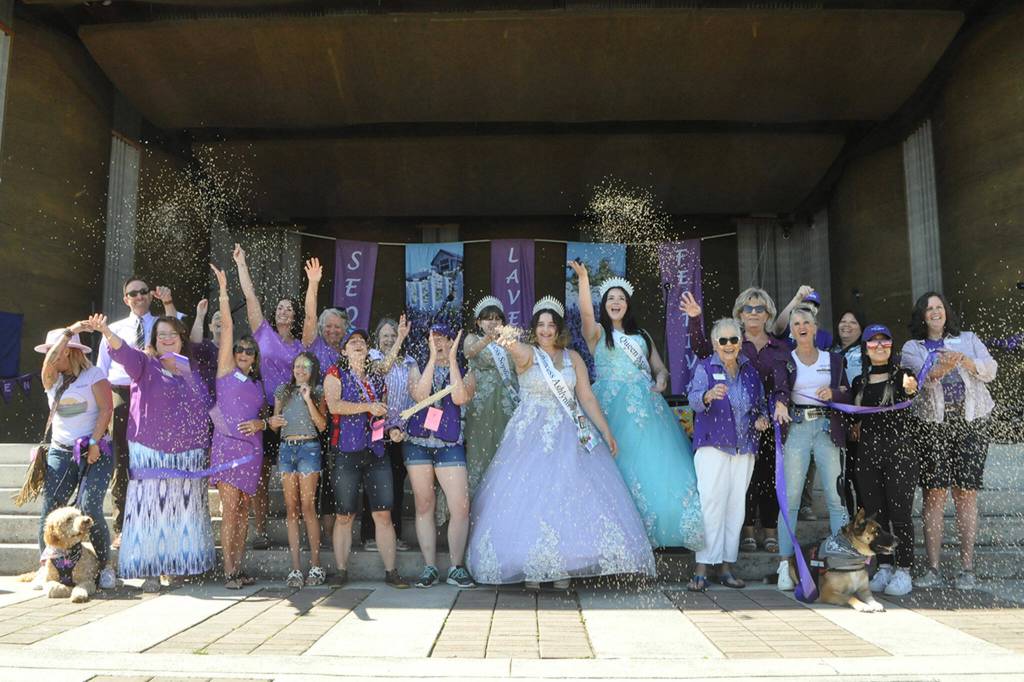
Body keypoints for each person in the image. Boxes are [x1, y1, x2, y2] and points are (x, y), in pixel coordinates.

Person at [465, 297, 656, 589]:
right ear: (534, 329)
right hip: (530, 436)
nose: (546, 330)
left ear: (559, 328)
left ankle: (564, 565)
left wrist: (605, 431)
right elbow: (512, 346)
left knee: (568, 496)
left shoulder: (573, 358)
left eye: (551, 325)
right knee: (530, 497)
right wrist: (503, 334)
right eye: (540, 325)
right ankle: (532, 566)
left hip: (570, 432)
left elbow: (586, 397)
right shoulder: (527, 354)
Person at [570, 262, 704, 549]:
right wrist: (583, 279)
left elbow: (659, 368)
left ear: (627, 304)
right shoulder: (597, 333)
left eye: (621, 298)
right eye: (610, 298)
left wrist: (662, 379)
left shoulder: (642, 336)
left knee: (653, 464)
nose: (615, 302)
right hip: (609, 407)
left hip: (646, 407)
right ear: (604, 304)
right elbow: (585, 314)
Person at [86, 312, 214, 592]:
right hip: (149, 450)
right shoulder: (144, 363)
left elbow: (205, 405)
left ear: (181, 339)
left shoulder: (193, 369)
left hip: (188, 453)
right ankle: (151, 570)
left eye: (172, 334)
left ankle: (179, 566)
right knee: (150, 511)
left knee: (182, 511)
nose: (167, 339)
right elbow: (122, 352)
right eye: (161, 335)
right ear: (154, 340)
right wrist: (106, 331)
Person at [901, 292, 997, 590]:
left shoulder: (968, 339)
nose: (935, 312)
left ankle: (967, 569)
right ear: (921, 315)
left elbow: (990, 370)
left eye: (939, 307)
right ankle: (933, 568)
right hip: (933, 425)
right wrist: (942, 368)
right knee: (934, 494)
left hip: (972, 422)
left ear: (946, 312)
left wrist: (965, 361)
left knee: (966, 494)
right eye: (928, 308)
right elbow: (919, 380)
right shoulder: (912, 347)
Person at [685, 318, 770, 591]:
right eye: (723, 340)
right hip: (713, 445)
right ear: (714, 344)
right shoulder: (705, 367)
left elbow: (760, 406)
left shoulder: (750, 372)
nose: (729, 345)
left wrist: (762, 419)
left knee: (735, 508)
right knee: (711, 505)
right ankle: (702, 567)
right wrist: (708, 395)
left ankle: (725, 566)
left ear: (740, 342)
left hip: (744, 448)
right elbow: (693, 399)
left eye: (734, 339)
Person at [95, 277, 179, 550]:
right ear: (126, 299)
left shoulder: (162, 323)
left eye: (143, 291)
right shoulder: (114, 329)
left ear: (151, 296)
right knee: (122, 460)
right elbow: (101, 372)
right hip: (122, 393)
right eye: (133, 293)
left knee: (154, 457)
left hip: (155, 392)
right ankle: (122, 526)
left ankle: (156, 522)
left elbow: (180, 331)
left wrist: (169, 302)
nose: (139, 296)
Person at [323, 329, 409, 588]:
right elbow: (334, 406)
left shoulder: (376, 378)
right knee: (344, 515)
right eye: (352, 342)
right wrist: (367, 407)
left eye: (362, 341)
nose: (358, 344)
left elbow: (380, 415)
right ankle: (341, 571)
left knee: (383, 514)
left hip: (376, 452)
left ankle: (391, 572)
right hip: (346, 453)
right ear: (344, 350)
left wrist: (392, 430)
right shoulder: (334, 374)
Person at [33, 325, 116, 590]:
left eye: (55, 350)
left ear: (69, 352)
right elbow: (48, 363)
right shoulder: (52, 378)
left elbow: (106, 409)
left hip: (96, 448)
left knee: (90, 506)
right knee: (51, 508)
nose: (50, 356)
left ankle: (105, 566)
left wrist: (94, 442)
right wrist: (70, 331)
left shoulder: (94, 375)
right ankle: (47, 565)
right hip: (61, 450)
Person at [775, 307, 851, 591]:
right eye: (796, 323)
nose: (801, 327)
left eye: (806, 322)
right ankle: (785, 565)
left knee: (835, 497)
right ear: (791, 330)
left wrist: (834, 393)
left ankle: (843, 566)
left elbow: (847, 392)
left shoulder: (834, 359)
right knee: (791, 499)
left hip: (826, 428)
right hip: (797, 427)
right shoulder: (786, 359)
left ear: (815, 327)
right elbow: (778, 390)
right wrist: (779, 402)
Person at [234, 243, 304, 551]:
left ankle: (297, 530)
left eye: (289, 308)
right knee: (261, 472)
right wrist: (241, 264)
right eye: (279, 307)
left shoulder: (301, 345)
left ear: (295, 315)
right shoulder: (262, 332)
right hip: (262, 411)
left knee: (294, 474)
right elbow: (250, 297)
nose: (283, 311)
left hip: (291, 413)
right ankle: (260, 529)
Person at [710, 288, 789, 554]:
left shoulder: (780, 347)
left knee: (770, 477)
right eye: (748, 308)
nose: (753, 313)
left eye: (759, 309)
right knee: (745, 480)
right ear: (739, 314)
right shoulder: (732, 342)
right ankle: (746, 530)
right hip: (739, 423)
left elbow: (784, 382)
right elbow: (702, 350)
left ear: (768, 314)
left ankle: (770, 530)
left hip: (772, 422)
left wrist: (781, 401)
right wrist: (696, 319)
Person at [404, 323, 477, 589]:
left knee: (460, 506)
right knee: (424, 504)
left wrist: (453, 360)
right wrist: (432, 361)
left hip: (449, 443)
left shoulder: (467, 370)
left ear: (451, 341)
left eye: (443, 338)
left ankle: (456, 567)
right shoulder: (417, 366)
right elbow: (420, 394)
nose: (438, 343)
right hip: (418, 442)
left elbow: (460, 397)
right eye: (433, 339)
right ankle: (430, 567)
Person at [209, 264, 267, 589]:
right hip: (228, 449)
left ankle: (239, 568)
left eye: (250, 351)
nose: (244, 352)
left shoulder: (259, 385)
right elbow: (229, 326)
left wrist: (261, 422)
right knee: (230, 509)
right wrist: (223, 290)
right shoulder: (225, 372)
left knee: (244, 510)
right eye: (240, 349)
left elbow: (268, 417)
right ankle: (229, 571)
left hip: (253, 451)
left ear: (255, 358)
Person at [853, 324, 919, 596]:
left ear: (892, 346)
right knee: (874, 515)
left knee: (900, 514)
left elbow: (911, 391)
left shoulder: (903, 375)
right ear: (865, 348)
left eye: (885, 341)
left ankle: (904, 570)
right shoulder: (859, 381)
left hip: (899, 454)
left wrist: (911, 388)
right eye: (873, 342)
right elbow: (852, 415)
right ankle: (884, 566)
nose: (879, 346)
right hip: (868, 456)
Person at [300, 257, 350, 548]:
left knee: (332, 479)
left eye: (337, 327)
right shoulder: (313, 344)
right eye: (328, 326)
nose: (332, 330)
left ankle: (330, 536)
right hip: (312, 419)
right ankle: (312, 535)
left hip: (339, 422)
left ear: (345, 329)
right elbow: (309, 317)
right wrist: (313, 284)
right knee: (313, 477)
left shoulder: (349, 351)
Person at [270, 352, 327, 588]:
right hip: (286, 449)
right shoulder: (282, 391)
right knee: (291, 509)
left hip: (309, 448)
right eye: (297, 365)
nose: (300, 370)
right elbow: (275, 426)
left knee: (308, 507)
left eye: (305, 366)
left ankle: (316, 565)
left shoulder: (318, 391)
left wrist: (308, 399)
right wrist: (273, 421)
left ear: (312, 370)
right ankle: (295, 568)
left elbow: (322, 425)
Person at [362, 316, 414, 552]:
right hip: (377, 429)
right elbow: (382, 370)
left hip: (400, 433)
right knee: (374, 482)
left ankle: (395, 535)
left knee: (396, 483)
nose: (390, 339)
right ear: (377, 338)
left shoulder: (409, 361)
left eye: (394, 335)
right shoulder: (372, 356)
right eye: (386, 336)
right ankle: (369, 535)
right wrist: (400, 339)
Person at [462, 296, 520, 495]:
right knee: (481, 449)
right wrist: (489, 338)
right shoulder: (472, 338)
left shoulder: (508, 341)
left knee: (506, 449)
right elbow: (469, 353)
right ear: (479, 322)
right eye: (488, 318)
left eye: (497, 318)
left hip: (507, 403)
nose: (493, 322)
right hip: (482, 406)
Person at [774, 286, 832, 350]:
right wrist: (796, 299)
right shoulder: (788, 329)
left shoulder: (825, 337)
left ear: (816, 310)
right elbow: (778, 327)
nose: (809, 306)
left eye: (814, 305)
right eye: (805, 303)